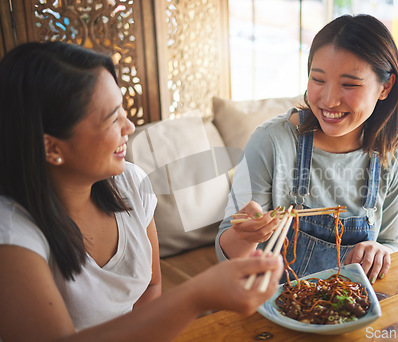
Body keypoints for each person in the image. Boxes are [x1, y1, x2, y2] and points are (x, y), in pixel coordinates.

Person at [0, 41, 283, 341]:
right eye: (112, 118)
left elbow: (150, 287)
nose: (130, 126)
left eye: (123, 110)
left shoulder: (130, 184)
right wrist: (197, 294)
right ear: (52, 147)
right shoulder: (11, 236)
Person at [216, 14, 398, 285]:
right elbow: (228, 254)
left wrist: (381, 251)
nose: (329, 99)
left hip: (347, 308)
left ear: (385, 87)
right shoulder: (270, 142)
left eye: (349, 84)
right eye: (318, 80)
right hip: (271, 307)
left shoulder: (394, 157)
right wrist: (246, 235)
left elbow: (391, 242)